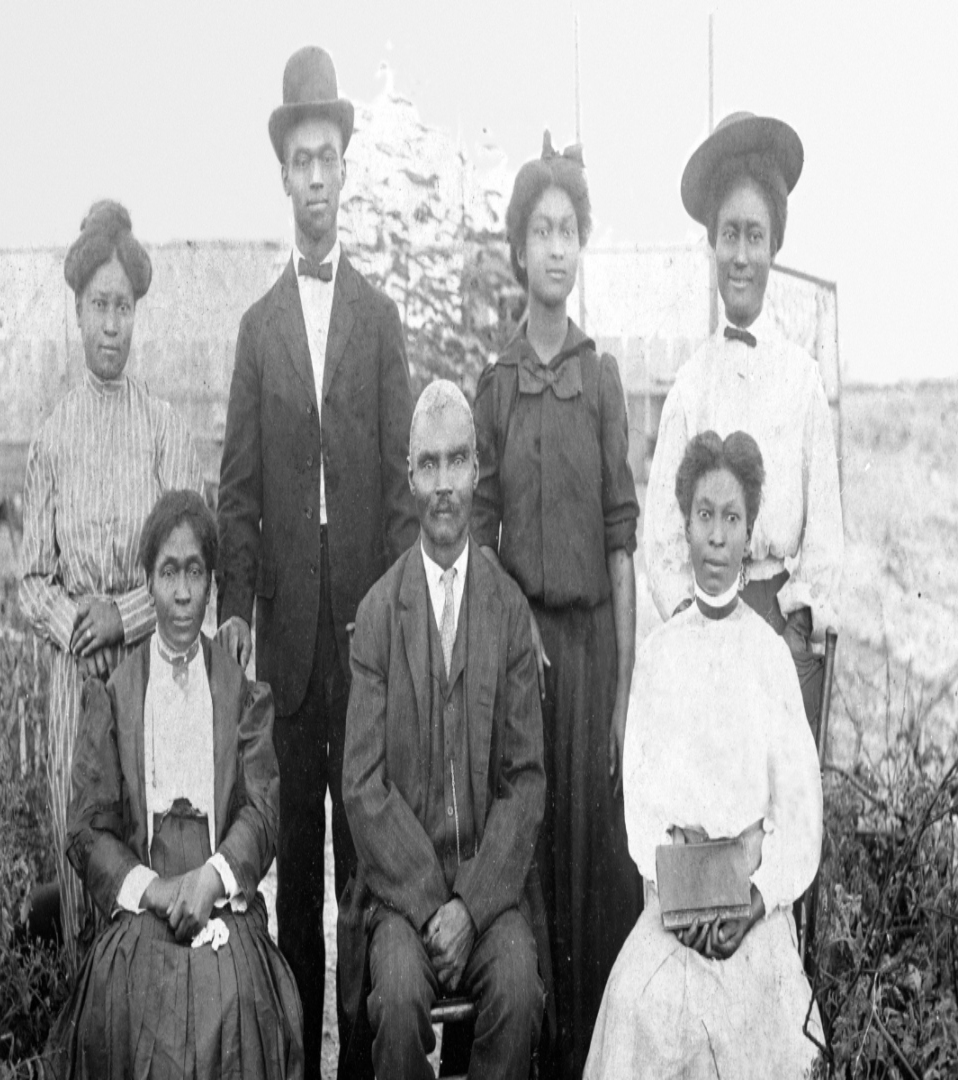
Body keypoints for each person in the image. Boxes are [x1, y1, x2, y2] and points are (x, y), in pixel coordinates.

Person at [215, 44, 418, 1079]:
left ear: (347, 168)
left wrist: (389, 620)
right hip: (288, 652)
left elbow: (398, 485)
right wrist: (241, 620)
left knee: (363, 875)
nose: (317, 178)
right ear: (285, 175)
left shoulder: (380, 323)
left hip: (365, 642)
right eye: (301, 160)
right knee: (292, 881)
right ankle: (295, 1061)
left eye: (330, 157)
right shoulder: (258, 330)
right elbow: (238, 493)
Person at [471, 130, 640, 1078]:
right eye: (541, 230)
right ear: (519, 250)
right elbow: (484, 540)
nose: (557, 248)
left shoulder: (601, 378)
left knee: (592, 864)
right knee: (528, 857)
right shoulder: (497, 385)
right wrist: (516, 638)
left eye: (570, 229)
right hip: (519, 658)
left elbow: (621, 536)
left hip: (591, 654)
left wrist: (618, 687)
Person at [584, 430, 823, 1079]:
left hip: (754, 909)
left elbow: (801, 820)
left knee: (763, 1028)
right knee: (640, 1007)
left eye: (732, 518)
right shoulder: (660, 656)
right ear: (685, 528)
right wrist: (673, 883)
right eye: (704, 517)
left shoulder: (770, 657)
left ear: (749, 535)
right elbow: (642, 805)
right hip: (676, 907)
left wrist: (753, 899)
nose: (717, 537)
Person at [58, 490, 302, 1079]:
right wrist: (156, 890)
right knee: (125, 1005)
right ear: (150, 584)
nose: (184, 593)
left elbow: (263, 812)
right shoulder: (117, 693)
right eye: (169, 573)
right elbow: (86, 829)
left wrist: (212, 878)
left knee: (242, 1005)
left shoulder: (240, 691)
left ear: (213, 584)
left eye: (196, 572)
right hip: (147, 896)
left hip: (220, 892)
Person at [341, 380, 546, 1080]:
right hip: (404, 898)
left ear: (477, 472)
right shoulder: (378, 614)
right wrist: (435, 905)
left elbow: (525, 780)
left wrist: (473, 903)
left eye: (456, 462)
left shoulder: (508, 611)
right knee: (396, 999)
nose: (443, 485)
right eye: (428, 465)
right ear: (408, 476)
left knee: (519, 991)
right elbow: (362, 786)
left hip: (489, 896)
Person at [20, 200, 203, 962]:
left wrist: (122, 618)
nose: (110, 326)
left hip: (147, 678)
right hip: (74, 686)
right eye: (98, 307)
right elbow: (31, 580)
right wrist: (74, 623)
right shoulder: (52, 439)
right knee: (81, 851)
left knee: (144, 857)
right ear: (77, 313)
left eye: (123, 308)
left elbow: (192, 568)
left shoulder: (166, 432)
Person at [645, 112, 843, 730]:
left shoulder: (802, 380)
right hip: (708, 630)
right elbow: (659, 538)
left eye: (754, 236)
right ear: (711, 243)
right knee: (716, 818)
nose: (740, 255)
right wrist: (694, 626)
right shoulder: (689, 387)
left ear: (773, 248)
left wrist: (796, 625)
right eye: (728, 234)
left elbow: (826, 532)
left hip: (781, 627)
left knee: (782, 815)